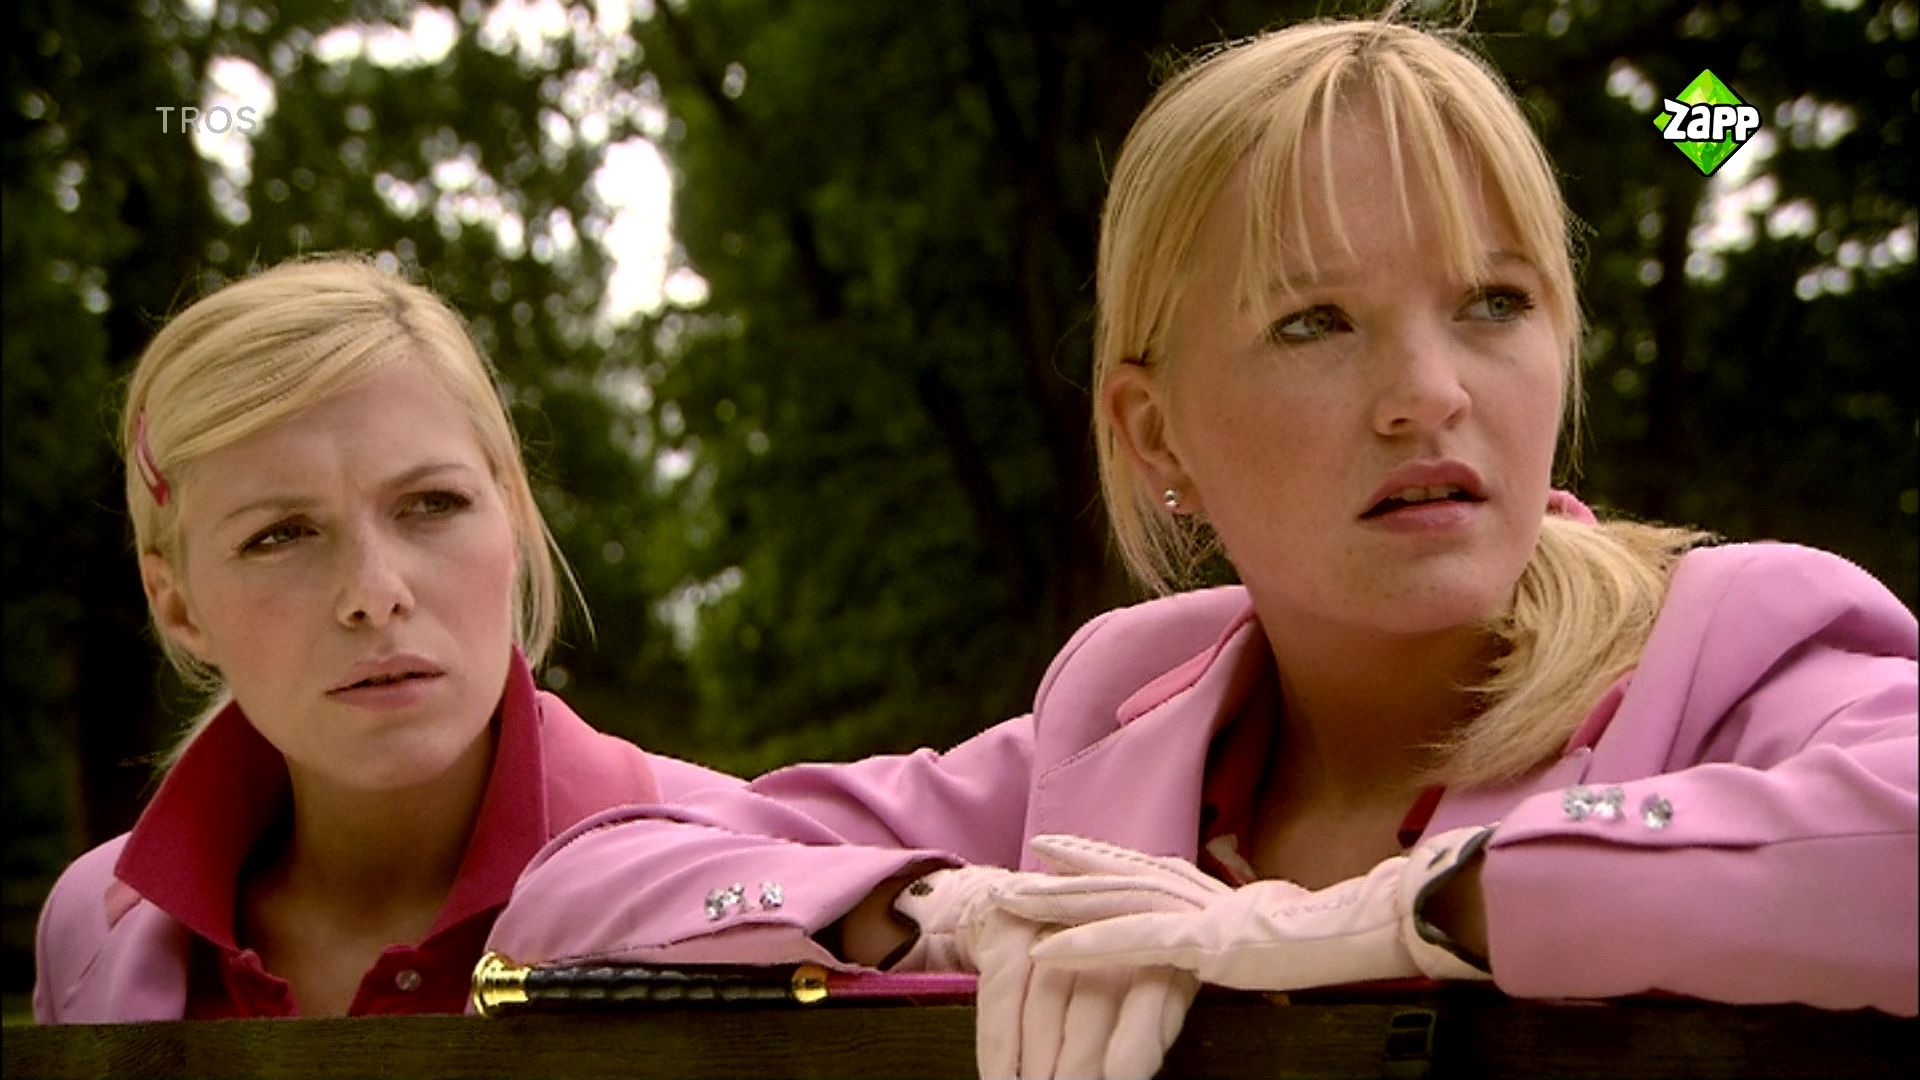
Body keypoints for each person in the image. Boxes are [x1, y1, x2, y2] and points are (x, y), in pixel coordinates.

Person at [486, 10, 1919, 1079]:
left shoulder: (1731, 650)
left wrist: (1405, 913)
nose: (1430, 392)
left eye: (1495, 303)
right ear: (1156, 432)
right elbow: (576, 890)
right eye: (1315, 322)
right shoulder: (1112, 721)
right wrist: (949, 908)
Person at [32, 255, 735, 1023]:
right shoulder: (88, 934)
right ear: (177, 605)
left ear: (511, 518)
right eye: (280, 534)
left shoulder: (748, 875)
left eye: (432, 503)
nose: (374, 593)